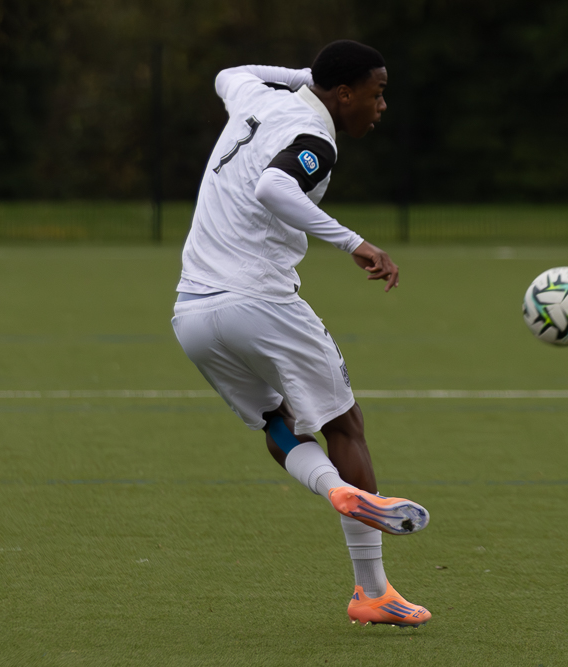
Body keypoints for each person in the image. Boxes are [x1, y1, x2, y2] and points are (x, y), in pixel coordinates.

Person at [171, 40, 431, 628]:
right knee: (345, 426)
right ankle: (373, 592)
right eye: (377, 92)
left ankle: (331, 488)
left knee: (277, 421)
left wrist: (303, 74)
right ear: (344, 94)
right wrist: (354, 242)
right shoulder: (316, 138)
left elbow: (227, 70)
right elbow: (274, 188)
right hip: (258, 302)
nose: (381, 105)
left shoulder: (256, 98)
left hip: (191, 312)